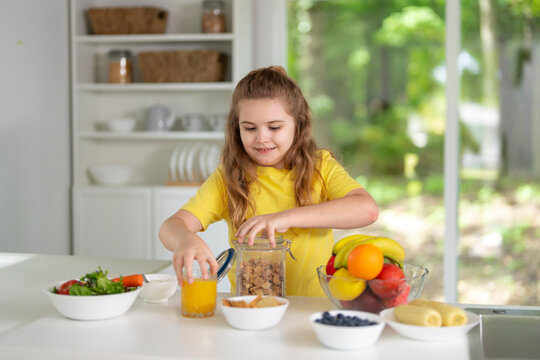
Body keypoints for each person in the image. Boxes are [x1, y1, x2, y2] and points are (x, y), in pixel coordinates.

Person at [159, 66, 378, 297]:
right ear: (237, 128)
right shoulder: (230, 177)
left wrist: (285, 217)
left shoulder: (320, 167)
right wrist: (185, 238)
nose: (262, 138)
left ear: (298, 124)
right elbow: (170, 227)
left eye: (275, 127)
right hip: (251, 307)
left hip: (312, 308)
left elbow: (367, 210)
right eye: (250, 128)